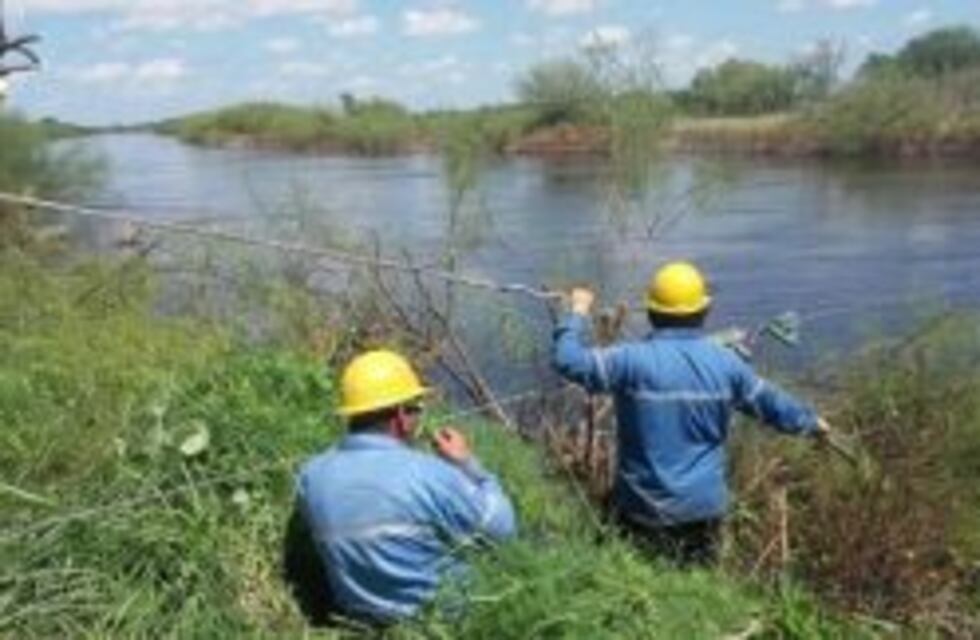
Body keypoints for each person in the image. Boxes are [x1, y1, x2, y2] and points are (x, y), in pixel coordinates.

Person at [552, 261, 830, 566]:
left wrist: (577, 311)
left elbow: (568, 360)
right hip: (703, 511)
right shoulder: (727, 364)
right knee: (696, 585)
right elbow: (772, 404)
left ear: (651, 313)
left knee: (642, 582)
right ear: (703, 312)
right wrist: (811, 423)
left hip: (644, 509)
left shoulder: (630, 361)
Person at [295, 349, 517, 625]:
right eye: (416, 408)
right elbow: (504, 528)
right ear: (400, 416)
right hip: (440, 622)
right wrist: (467, 464)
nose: (418, 416)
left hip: (359, 620)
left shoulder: (310, 476)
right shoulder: (431, 474)